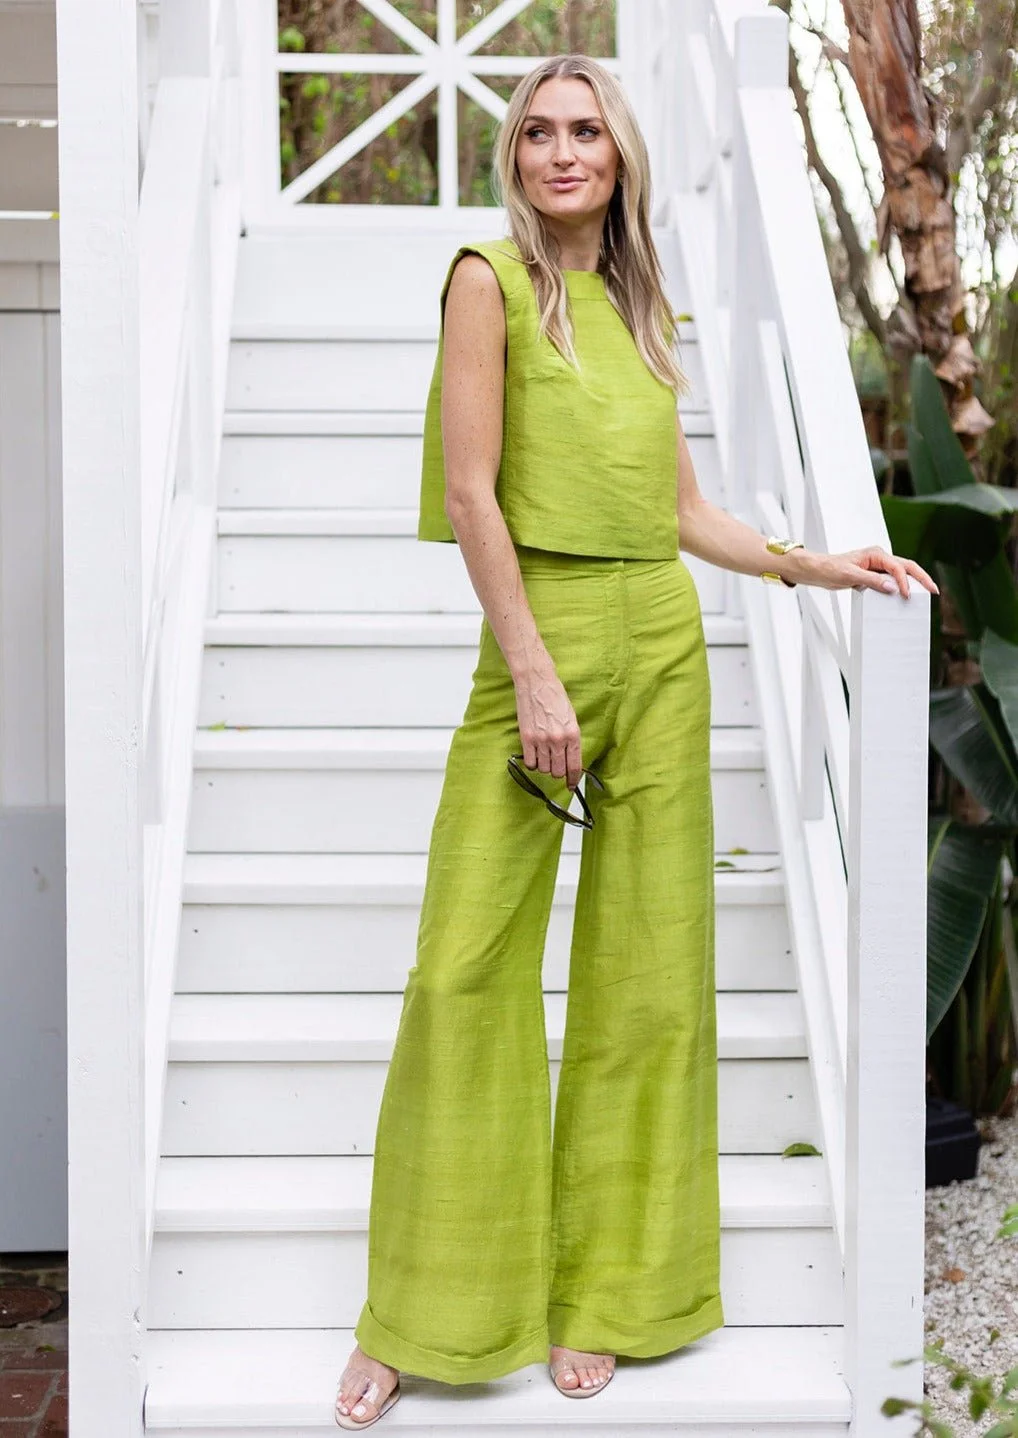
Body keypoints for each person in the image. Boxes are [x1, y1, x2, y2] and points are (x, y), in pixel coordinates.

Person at [334, 52, 938, 1432]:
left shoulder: (638, 303)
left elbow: (683, 512)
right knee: (461, 967)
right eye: (539, 133)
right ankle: (418, 1315)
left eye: (586, 132)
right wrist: (533, 675)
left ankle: (608, 1292)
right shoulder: (487, 282)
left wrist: (812, 561)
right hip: (539, 640)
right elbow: (472, 495)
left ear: (619, 158)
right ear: (517, 157)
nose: (562, 152)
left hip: (662, 644)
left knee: (647, 978)